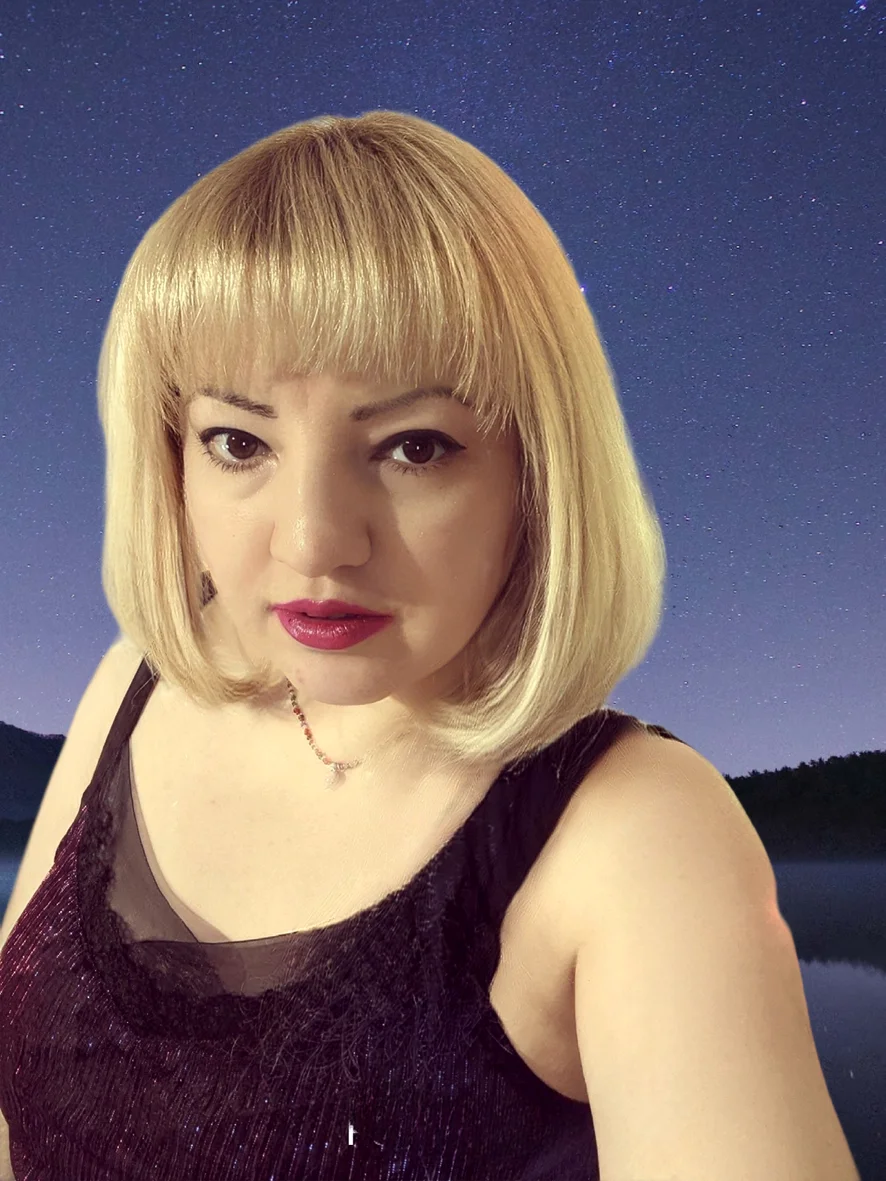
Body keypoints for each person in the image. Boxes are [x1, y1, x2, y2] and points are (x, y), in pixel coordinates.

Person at [0, 111, 859, 1181]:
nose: (314, 539)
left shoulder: (638, 835)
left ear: (535, 471)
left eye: (412, 446)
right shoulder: (139, 682)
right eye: (238, 441)